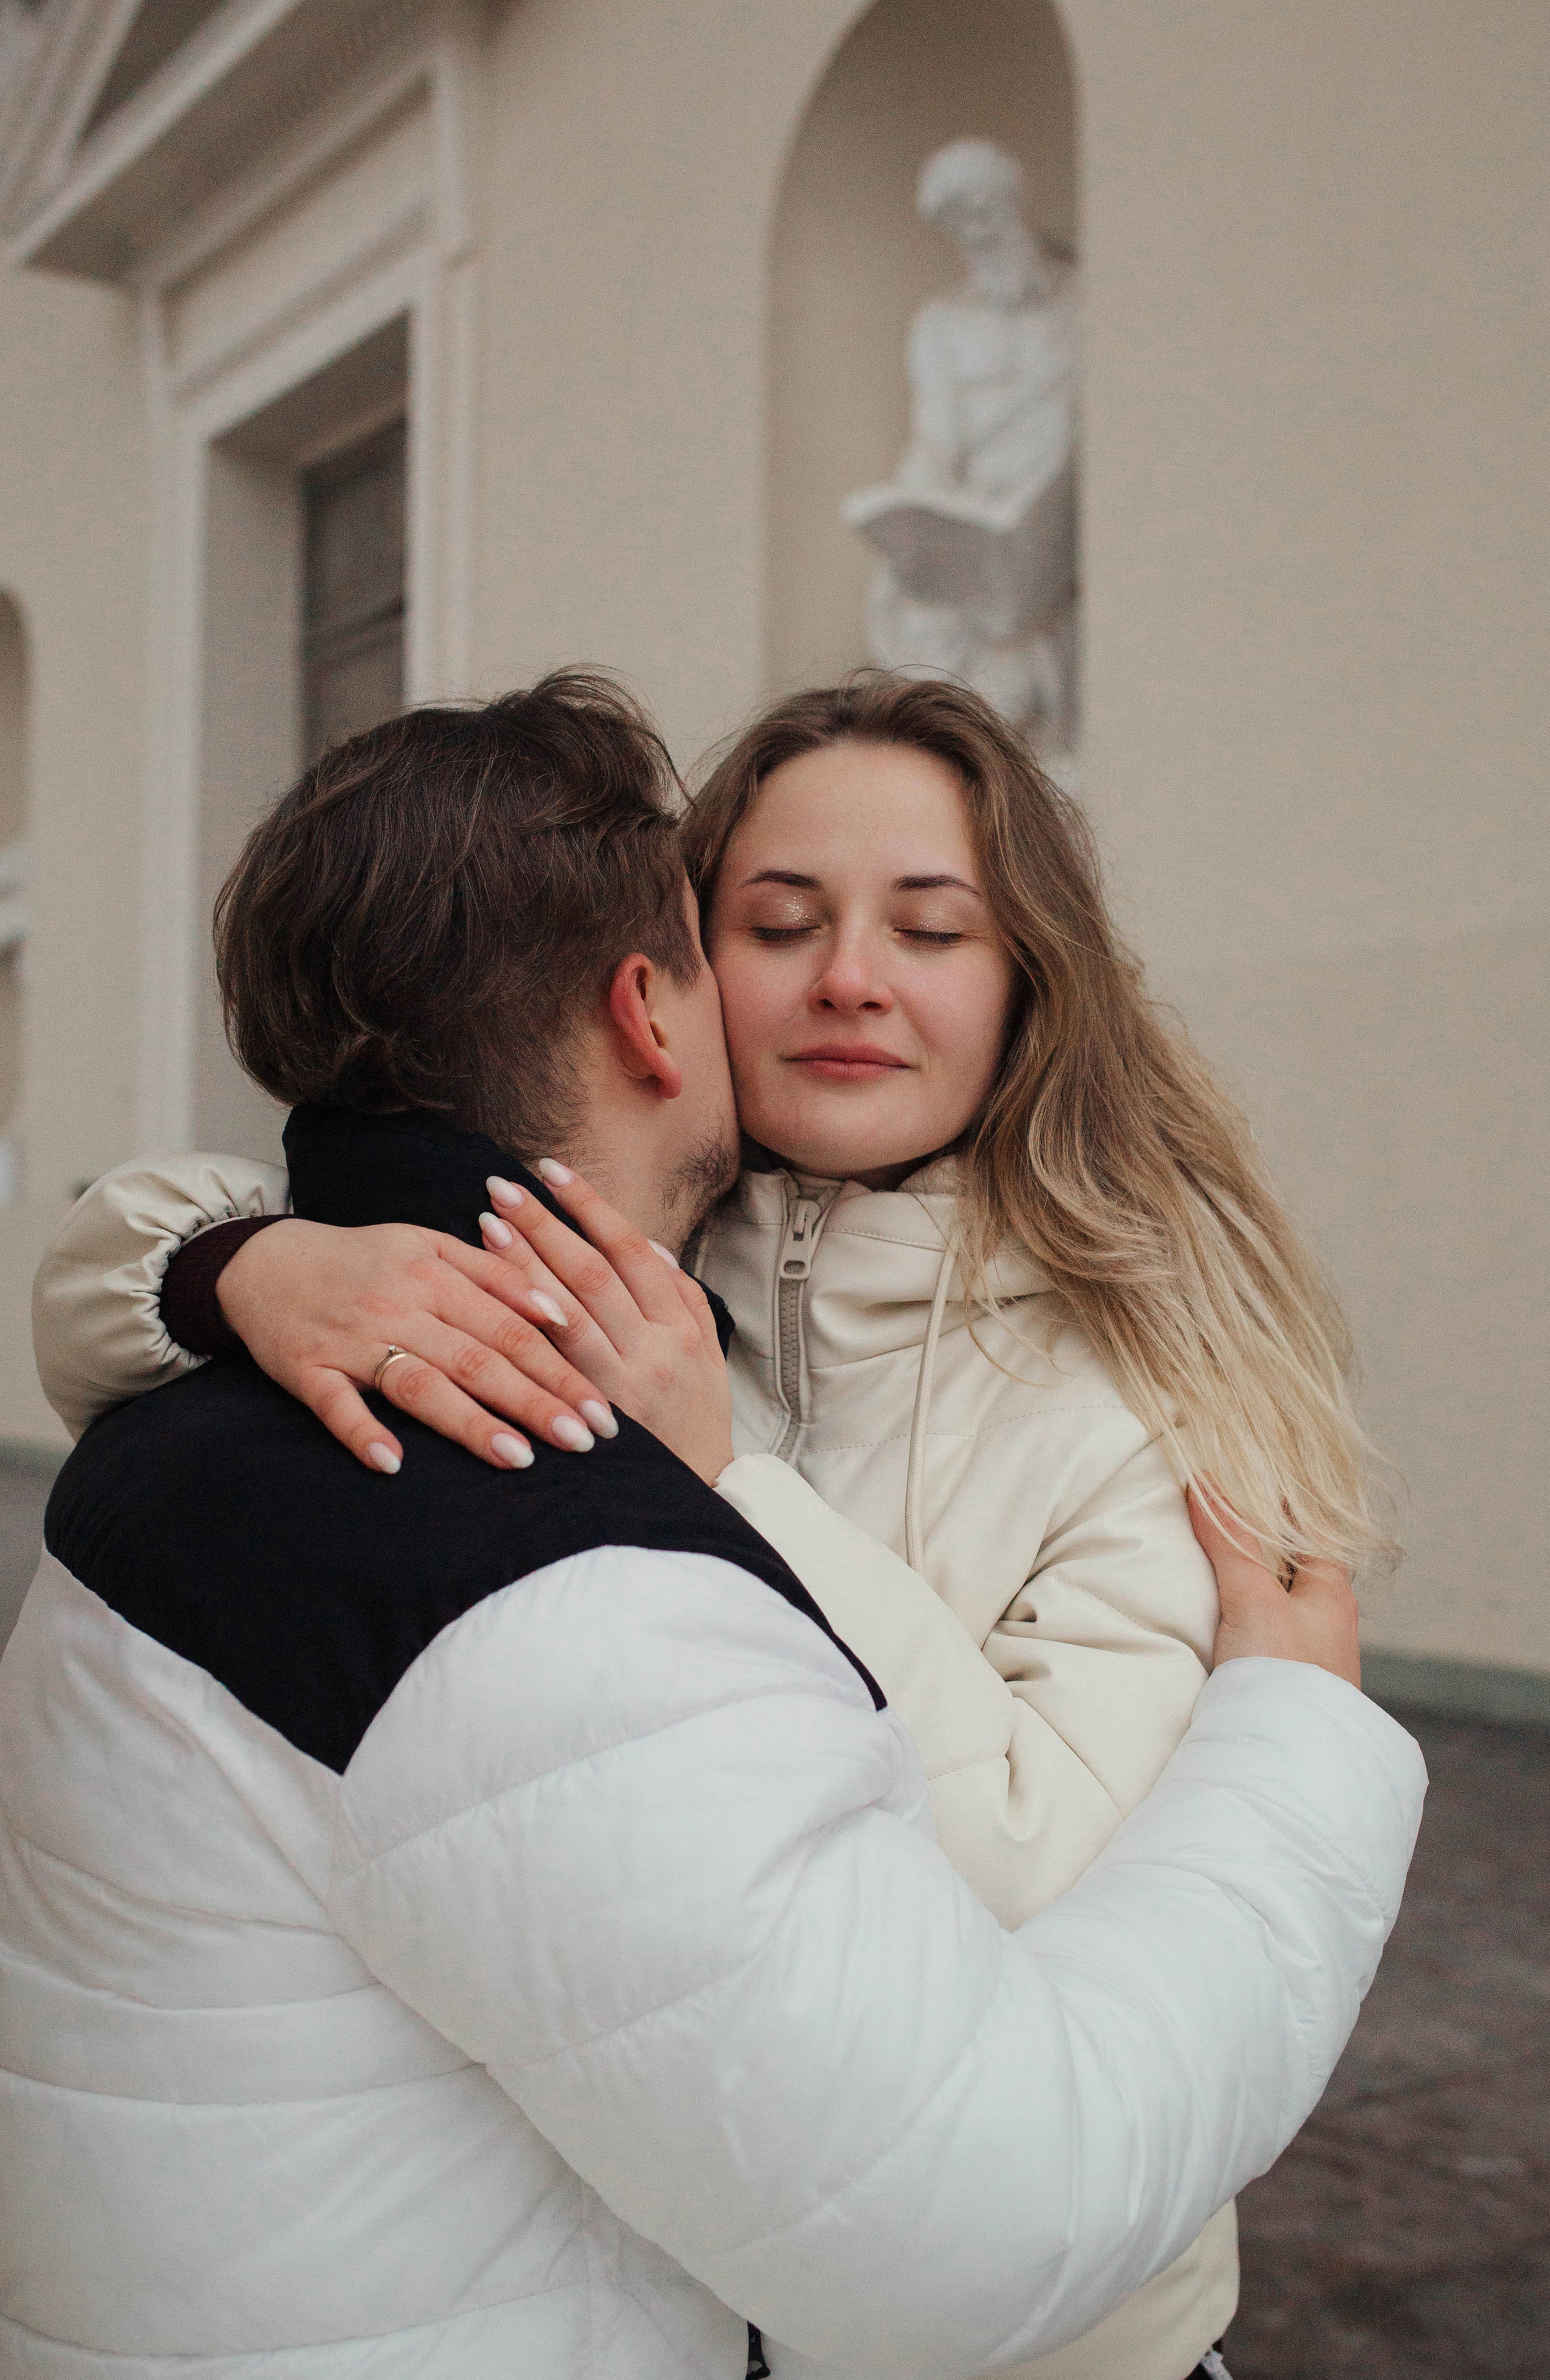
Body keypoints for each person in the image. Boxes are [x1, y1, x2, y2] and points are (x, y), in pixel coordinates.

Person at [14, 676, 1423, 2380]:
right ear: (664, 995)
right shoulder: (609, 1263)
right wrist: (243, 1264)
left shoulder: (1146, 1368)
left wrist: (734, 1484)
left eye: (931, 926)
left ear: (1028, 980)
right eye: (775, 920)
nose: (848, 975)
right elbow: (112, 1273)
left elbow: (1070, 1895)